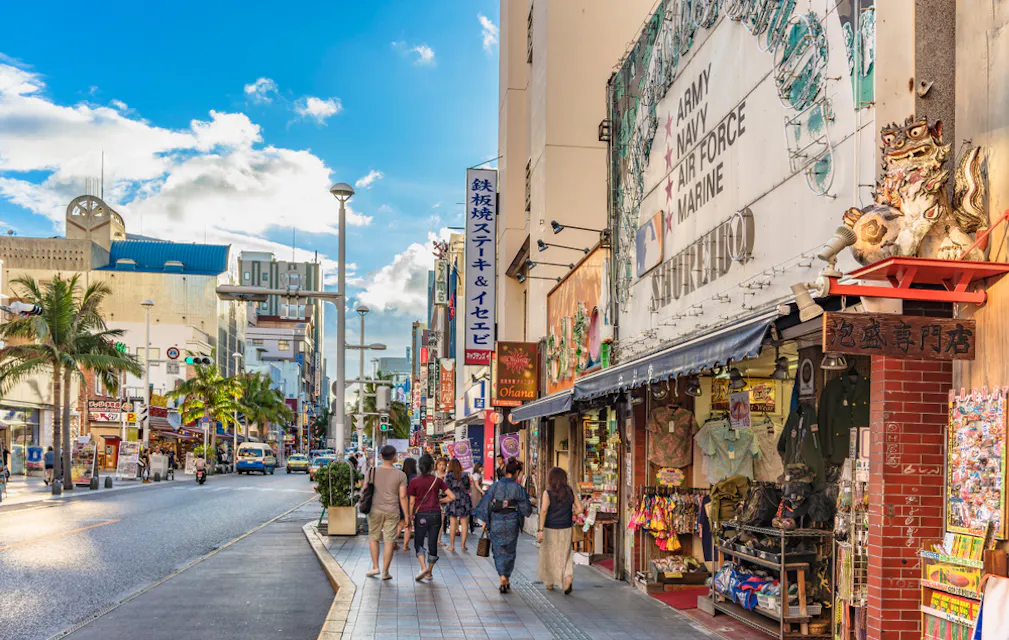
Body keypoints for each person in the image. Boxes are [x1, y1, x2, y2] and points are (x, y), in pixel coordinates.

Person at [475, 459, 533, 593]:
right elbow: (526, 508)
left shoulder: (495, 486)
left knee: (498, 549)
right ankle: (506, 576)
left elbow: (486, 502)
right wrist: (524, 511)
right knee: (510, 550)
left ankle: (502, 576)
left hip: (496, 520)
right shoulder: (518, 488)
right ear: (516, 473)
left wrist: (485, 519)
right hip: (512, 521)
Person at [407, 453, 455, 582]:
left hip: (421, 515)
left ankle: (423, 567)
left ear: (420, 466)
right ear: (432, 466)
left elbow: (411, 502)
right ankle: (429, 572)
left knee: (419, 541)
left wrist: (410, 516)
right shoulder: (437, 480)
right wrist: (440, 501)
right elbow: (452, 496)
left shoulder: (414, 481)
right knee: (432, 543)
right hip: (435, 515)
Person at [364, 445, 410, 580]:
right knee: (389, 541)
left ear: (381, 456)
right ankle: (385, 571)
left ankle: (375, 567)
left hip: (374, 510)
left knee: (374, 538)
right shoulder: (401, 475)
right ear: (394, 457)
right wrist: (407, 516)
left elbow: (365, 490)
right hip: (392, 511)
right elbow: (403, 496)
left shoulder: (371, 472)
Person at [537, 467, 584, 593]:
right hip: (566, 528)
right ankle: (567, 577)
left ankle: (550, 582)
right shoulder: (570, 491)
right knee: (566, 554)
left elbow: (544, 511)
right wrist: (571, 513)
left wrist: (540, 530)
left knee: (549, 554)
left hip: (550, 528)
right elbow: (580, 508)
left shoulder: (548, 493)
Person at [445, 459, 473, 552]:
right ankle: (463, 545)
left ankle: (452, 546)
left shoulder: (448, 476)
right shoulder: (465, 475)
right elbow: (468, 487)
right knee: (464, 522)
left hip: (452, 498)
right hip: (463, 499)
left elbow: (446, 488)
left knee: (453, 522)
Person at [400, 457, 419, 550]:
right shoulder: (415, 477)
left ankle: (393, 542)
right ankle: (405, 545)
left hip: (400, 502)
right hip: (411, 502)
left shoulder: (401, 475)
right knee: (408, 524)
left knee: (400, 523)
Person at [469, 462, 486, 532]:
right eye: (482, 467)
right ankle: (474, 521)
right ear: (479, 467)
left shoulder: (478, 475)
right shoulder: (476, 475)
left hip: (476, 492)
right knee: (475, 505)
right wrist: (482, 491)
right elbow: (476, 484)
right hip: (475, 492)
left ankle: (475, 521)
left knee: (476, 505)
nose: (483, 468)